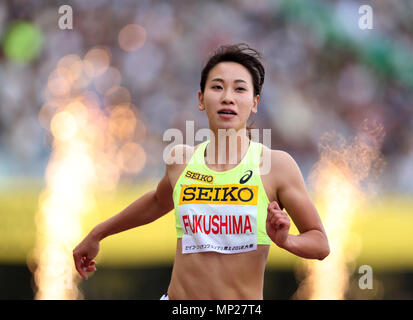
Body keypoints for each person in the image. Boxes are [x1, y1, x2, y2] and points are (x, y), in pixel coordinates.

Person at [73, 43, 330, 300]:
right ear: (201, 99)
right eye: (217, 87)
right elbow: (156, 202)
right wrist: (98, 233)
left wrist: (287, 241)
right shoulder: (181, 160)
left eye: (239, 88)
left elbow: (319, 243)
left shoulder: (275, 165)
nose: (227, 97)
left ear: (254, 103)